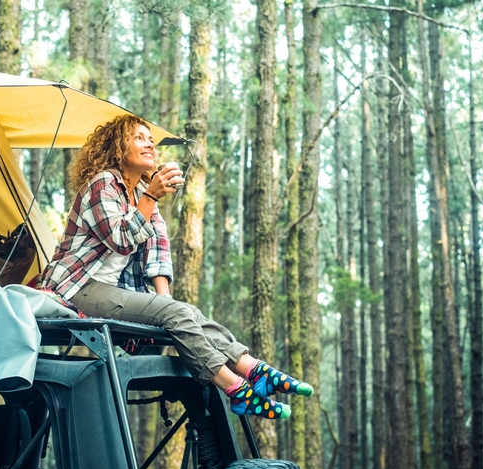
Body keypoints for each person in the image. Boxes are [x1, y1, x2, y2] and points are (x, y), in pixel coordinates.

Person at [40, 115, 312, 420]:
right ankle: (237, 390)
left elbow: (158, 250)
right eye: (139, 137)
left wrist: (165, 300)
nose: (150, 143)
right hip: (77, 287)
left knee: (186, 312)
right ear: (118, 148)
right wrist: (152, 194)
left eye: (151, 139)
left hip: (110, 290)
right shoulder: (103, 183)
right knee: (178, 314)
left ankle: (253, 370)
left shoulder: (143, 195)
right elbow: (120, 239)